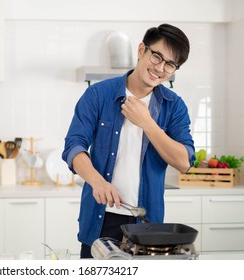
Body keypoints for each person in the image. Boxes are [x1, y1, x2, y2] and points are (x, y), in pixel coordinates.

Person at [62, 23, 195, 258]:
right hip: (101, 220)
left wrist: (147, 123)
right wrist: (97, 182)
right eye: (157, 57)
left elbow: (184, 161)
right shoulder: (98, 95)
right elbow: (74, 146)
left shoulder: (174, 107)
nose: (160, 69)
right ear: (142, 49)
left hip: (147, 225)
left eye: (170, 65)